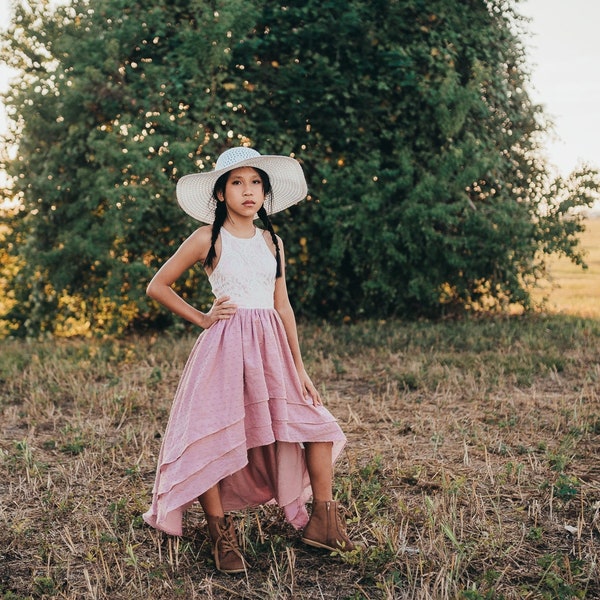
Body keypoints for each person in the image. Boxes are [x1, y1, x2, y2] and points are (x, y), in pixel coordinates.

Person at [143, 147, 359, 574]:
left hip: (271, 349)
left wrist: (300, 368)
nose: (248, 191)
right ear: (221, 193)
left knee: (315, 424)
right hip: (224, 349)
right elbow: (158, 286)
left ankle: (322, 519)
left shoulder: (272, 241)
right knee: (213, 437)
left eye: (256, 183)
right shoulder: (208, 237)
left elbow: (283, 305)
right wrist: (204, 318)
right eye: (237, 183)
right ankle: (221, 533)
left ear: (265, 192)